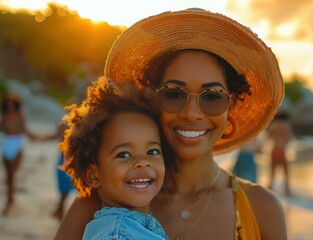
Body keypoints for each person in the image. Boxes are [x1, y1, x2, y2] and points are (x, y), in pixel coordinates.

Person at [54, 9, 287, 240]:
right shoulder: (102, 200)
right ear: (151, 98)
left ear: (231, 105)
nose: (192, 114)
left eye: (212, 96)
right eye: (174, 94)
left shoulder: (261, 209)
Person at [59, 77, 168, 239]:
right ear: (93, 175)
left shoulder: (123, 226)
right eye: (123, 154)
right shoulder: (117, 235)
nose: (143, 162)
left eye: (152, 152)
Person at [0, 93, 39, 215]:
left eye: (12, 104)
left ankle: (9, 199)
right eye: (8, 104)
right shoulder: (5, 115)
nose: (10, 106)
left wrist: (34, 136)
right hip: (7, 142)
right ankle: (10, 198)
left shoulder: (20, 115)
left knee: (12, 173)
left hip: (17, 143)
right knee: (8, 175)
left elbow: (24, 129)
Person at [265, 111, 293, 196]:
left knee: (272, 172)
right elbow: (289, 138)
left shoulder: (274, 126)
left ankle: (270, 191)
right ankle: (287, 191)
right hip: (281, 150)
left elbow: (267, 137)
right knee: (286, 172)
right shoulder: (285, 126)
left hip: (274, 150)